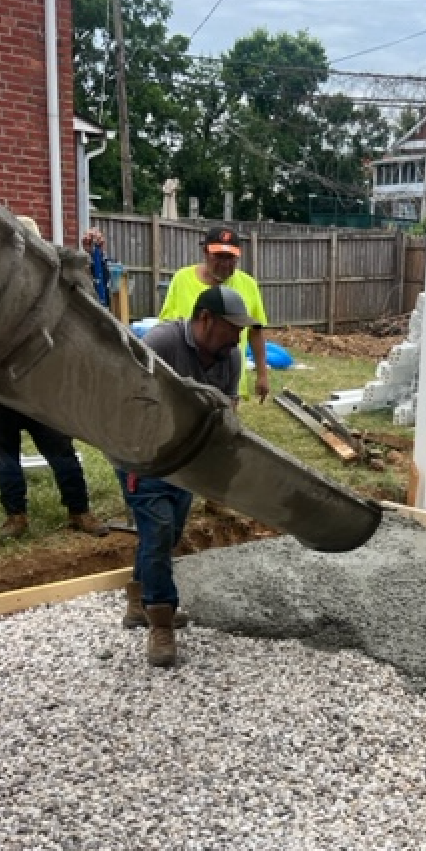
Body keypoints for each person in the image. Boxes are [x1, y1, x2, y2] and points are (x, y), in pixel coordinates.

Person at [119, 284, 262, 668]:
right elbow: (131, 400)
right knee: (159, 528)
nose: (237, 336)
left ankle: (137, 603)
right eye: (232, 327)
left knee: (167, 533)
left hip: (187, 460)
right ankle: (160, 622)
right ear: (205, 320)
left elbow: (227, 413)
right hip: (142, 452)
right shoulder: (162, 342)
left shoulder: (230, 358)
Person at [159, 225, 269, 404]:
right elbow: (167, 327)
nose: (225, 263)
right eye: (218, 256)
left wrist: (262, 374)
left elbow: (255, 332)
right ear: (205, 252)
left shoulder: (249, 285)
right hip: (186, 379)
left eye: (230, 257)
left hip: (228, 381)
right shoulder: (182, 280)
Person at [0, 396, 109, 538]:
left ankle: (79, 511)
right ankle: (15, 517)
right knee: (5, 460)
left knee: (63, 455)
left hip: (42, 396)